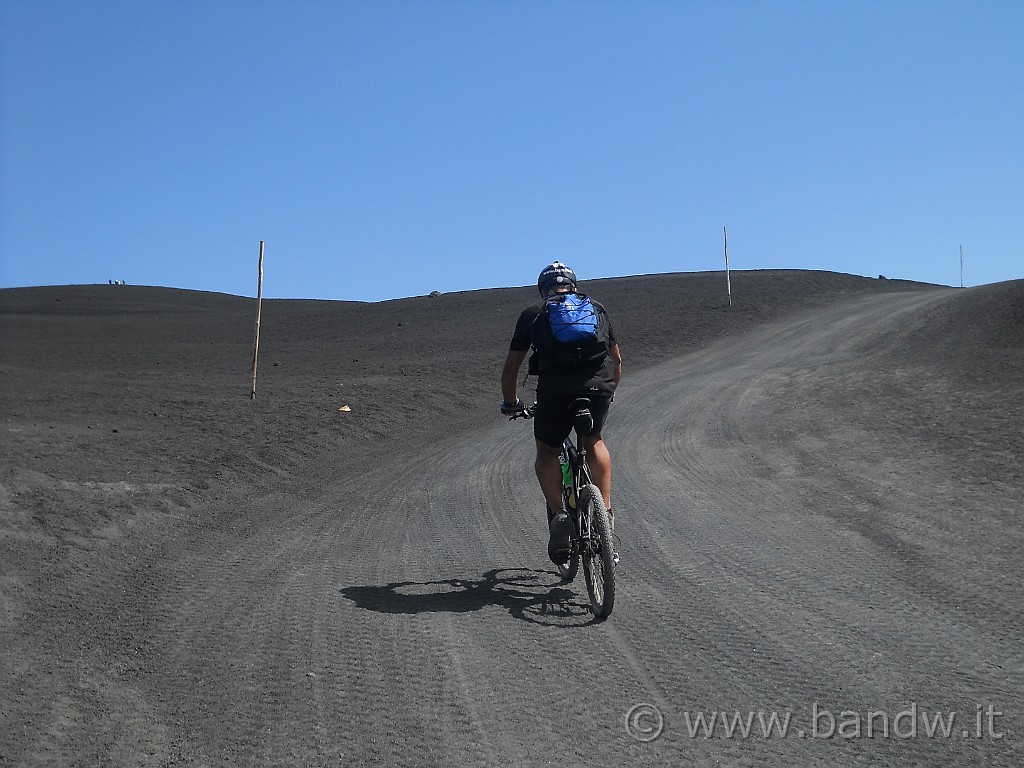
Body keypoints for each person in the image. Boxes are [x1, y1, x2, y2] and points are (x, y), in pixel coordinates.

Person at [500, 262, 622, 564]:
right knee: (594, 439)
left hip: (555, 392)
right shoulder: (596, 307)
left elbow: (512, 367)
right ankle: (604, 513)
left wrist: (511, 402)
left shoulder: (533, 314)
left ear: (544, 290)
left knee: (547, 450)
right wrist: (610, 389)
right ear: (574, 286)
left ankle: (558, 516)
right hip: (598, 388)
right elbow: (616, 359)